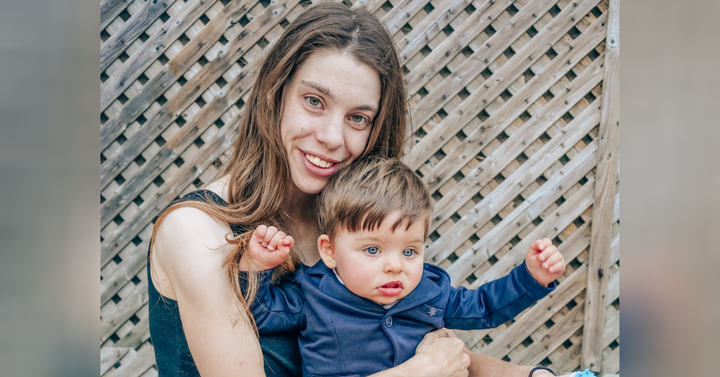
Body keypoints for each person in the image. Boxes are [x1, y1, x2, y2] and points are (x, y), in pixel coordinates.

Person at [148, 2, 563, 377]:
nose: (332, 137)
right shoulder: (196, 232)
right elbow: (427, 366)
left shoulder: (355, 227)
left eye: (359, 118)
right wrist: (421, 371)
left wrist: (526, 374)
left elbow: (432, 352)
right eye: (314, 101)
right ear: (275, 96)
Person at [240, 156, 566, 376]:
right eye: (372, 249)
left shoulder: (428, 292)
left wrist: (530, 278)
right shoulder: (312, 294)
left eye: (410, 251)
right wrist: (257, 265)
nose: (395, 266)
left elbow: (483, 307)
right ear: (330, 251)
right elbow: (260, 315)